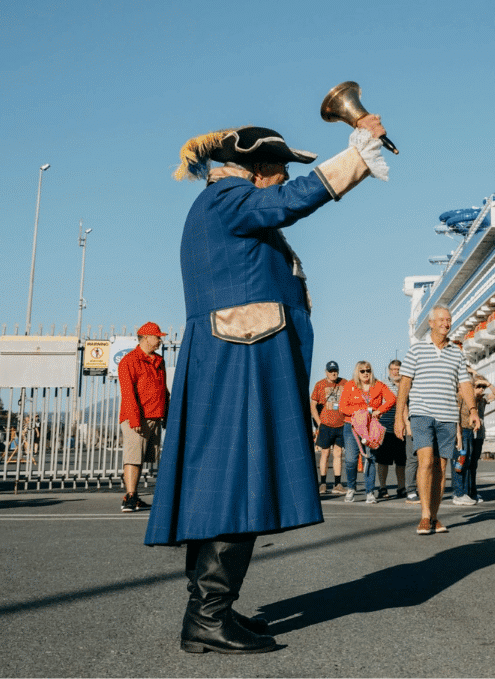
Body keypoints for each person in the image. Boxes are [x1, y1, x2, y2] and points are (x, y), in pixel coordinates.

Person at [146, 119, 389, 654]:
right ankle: (207, 616)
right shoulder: (229, 197)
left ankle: (212, 611)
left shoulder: (222, 203)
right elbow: (288, 203)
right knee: (239, 482)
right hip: (240, 360)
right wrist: (355, 157)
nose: (281, 180)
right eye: (277, 169)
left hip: (237, 357)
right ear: (255, 166)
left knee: (229, 482)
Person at [396, 304, 480, 537]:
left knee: (442, 467)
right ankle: (424, 516)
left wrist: (473, 410)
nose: (446, 323)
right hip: (422, 413)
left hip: (448, 416)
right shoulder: (416, 350)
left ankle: (434, 515)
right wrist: (400, 417)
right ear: (431, 323)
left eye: (449, 320)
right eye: (441, 319)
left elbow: (464, 384)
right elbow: (405, 383)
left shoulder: (456, 353)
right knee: (425, 462)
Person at [118, 322, 169, 513]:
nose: (160, 340)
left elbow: (163, 390)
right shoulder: (129, 361)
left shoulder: (158, 361)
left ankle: (135, 497)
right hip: (137, 417)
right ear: (146, 338)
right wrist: (134, 419)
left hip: (154, 415)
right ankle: (129, 497)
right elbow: (128, 393)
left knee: (144, 458)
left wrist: (166, 413)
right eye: (157, 337)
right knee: (133, 457)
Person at [340, 361, 396, 504]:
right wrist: (360, 412)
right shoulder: (350, 385)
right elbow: (342, 407)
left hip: (371, 426)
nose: (365, 373)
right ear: (357, 372)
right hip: (352, 426)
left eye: (368, 370)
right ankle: (351, 488)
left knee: (370, 459)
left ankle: (370, 491)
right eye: (362, 371)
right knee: (351, 459)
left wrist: (379, 410)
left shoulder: (378, 385)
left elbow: (391, 399)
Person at [453, 373, 495, 506]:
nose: (481, 389)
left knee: (473, 464)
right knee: (462, 463)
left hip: (478, 434)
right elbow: (457, 416)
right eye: (478, 386)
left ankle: (471, 492)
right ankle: (461, 492)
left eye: (482, 387)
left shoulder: (482, 399)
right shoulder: (463, 397)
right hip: (465, 431)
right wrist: (458, 435)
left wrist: (488, 384)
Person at [311, 361, 347, 495]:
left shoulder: (344, 383)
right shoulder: (320, 385)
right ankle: (323, 483)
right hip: (325, 425)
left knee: (338, 454)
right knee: (325, 453)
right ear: (326, 372)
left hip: (341, 424)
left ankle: (338, 483)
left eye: (335, 371)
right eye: (331, 371)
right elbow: (313, 405)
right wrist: (318, 422)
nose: (333, 373)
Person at [375, 360, 408, 500]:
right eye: (393, 369)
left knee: (401, 461)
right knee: (383, 460)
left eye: (398, 369)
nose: (395, 372)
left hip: (402, 425)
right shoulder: (382, 384)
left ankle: (401, 487)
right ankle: (382, 487)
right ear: (389, 370)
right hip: (385, 425)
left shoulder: (407, 384)